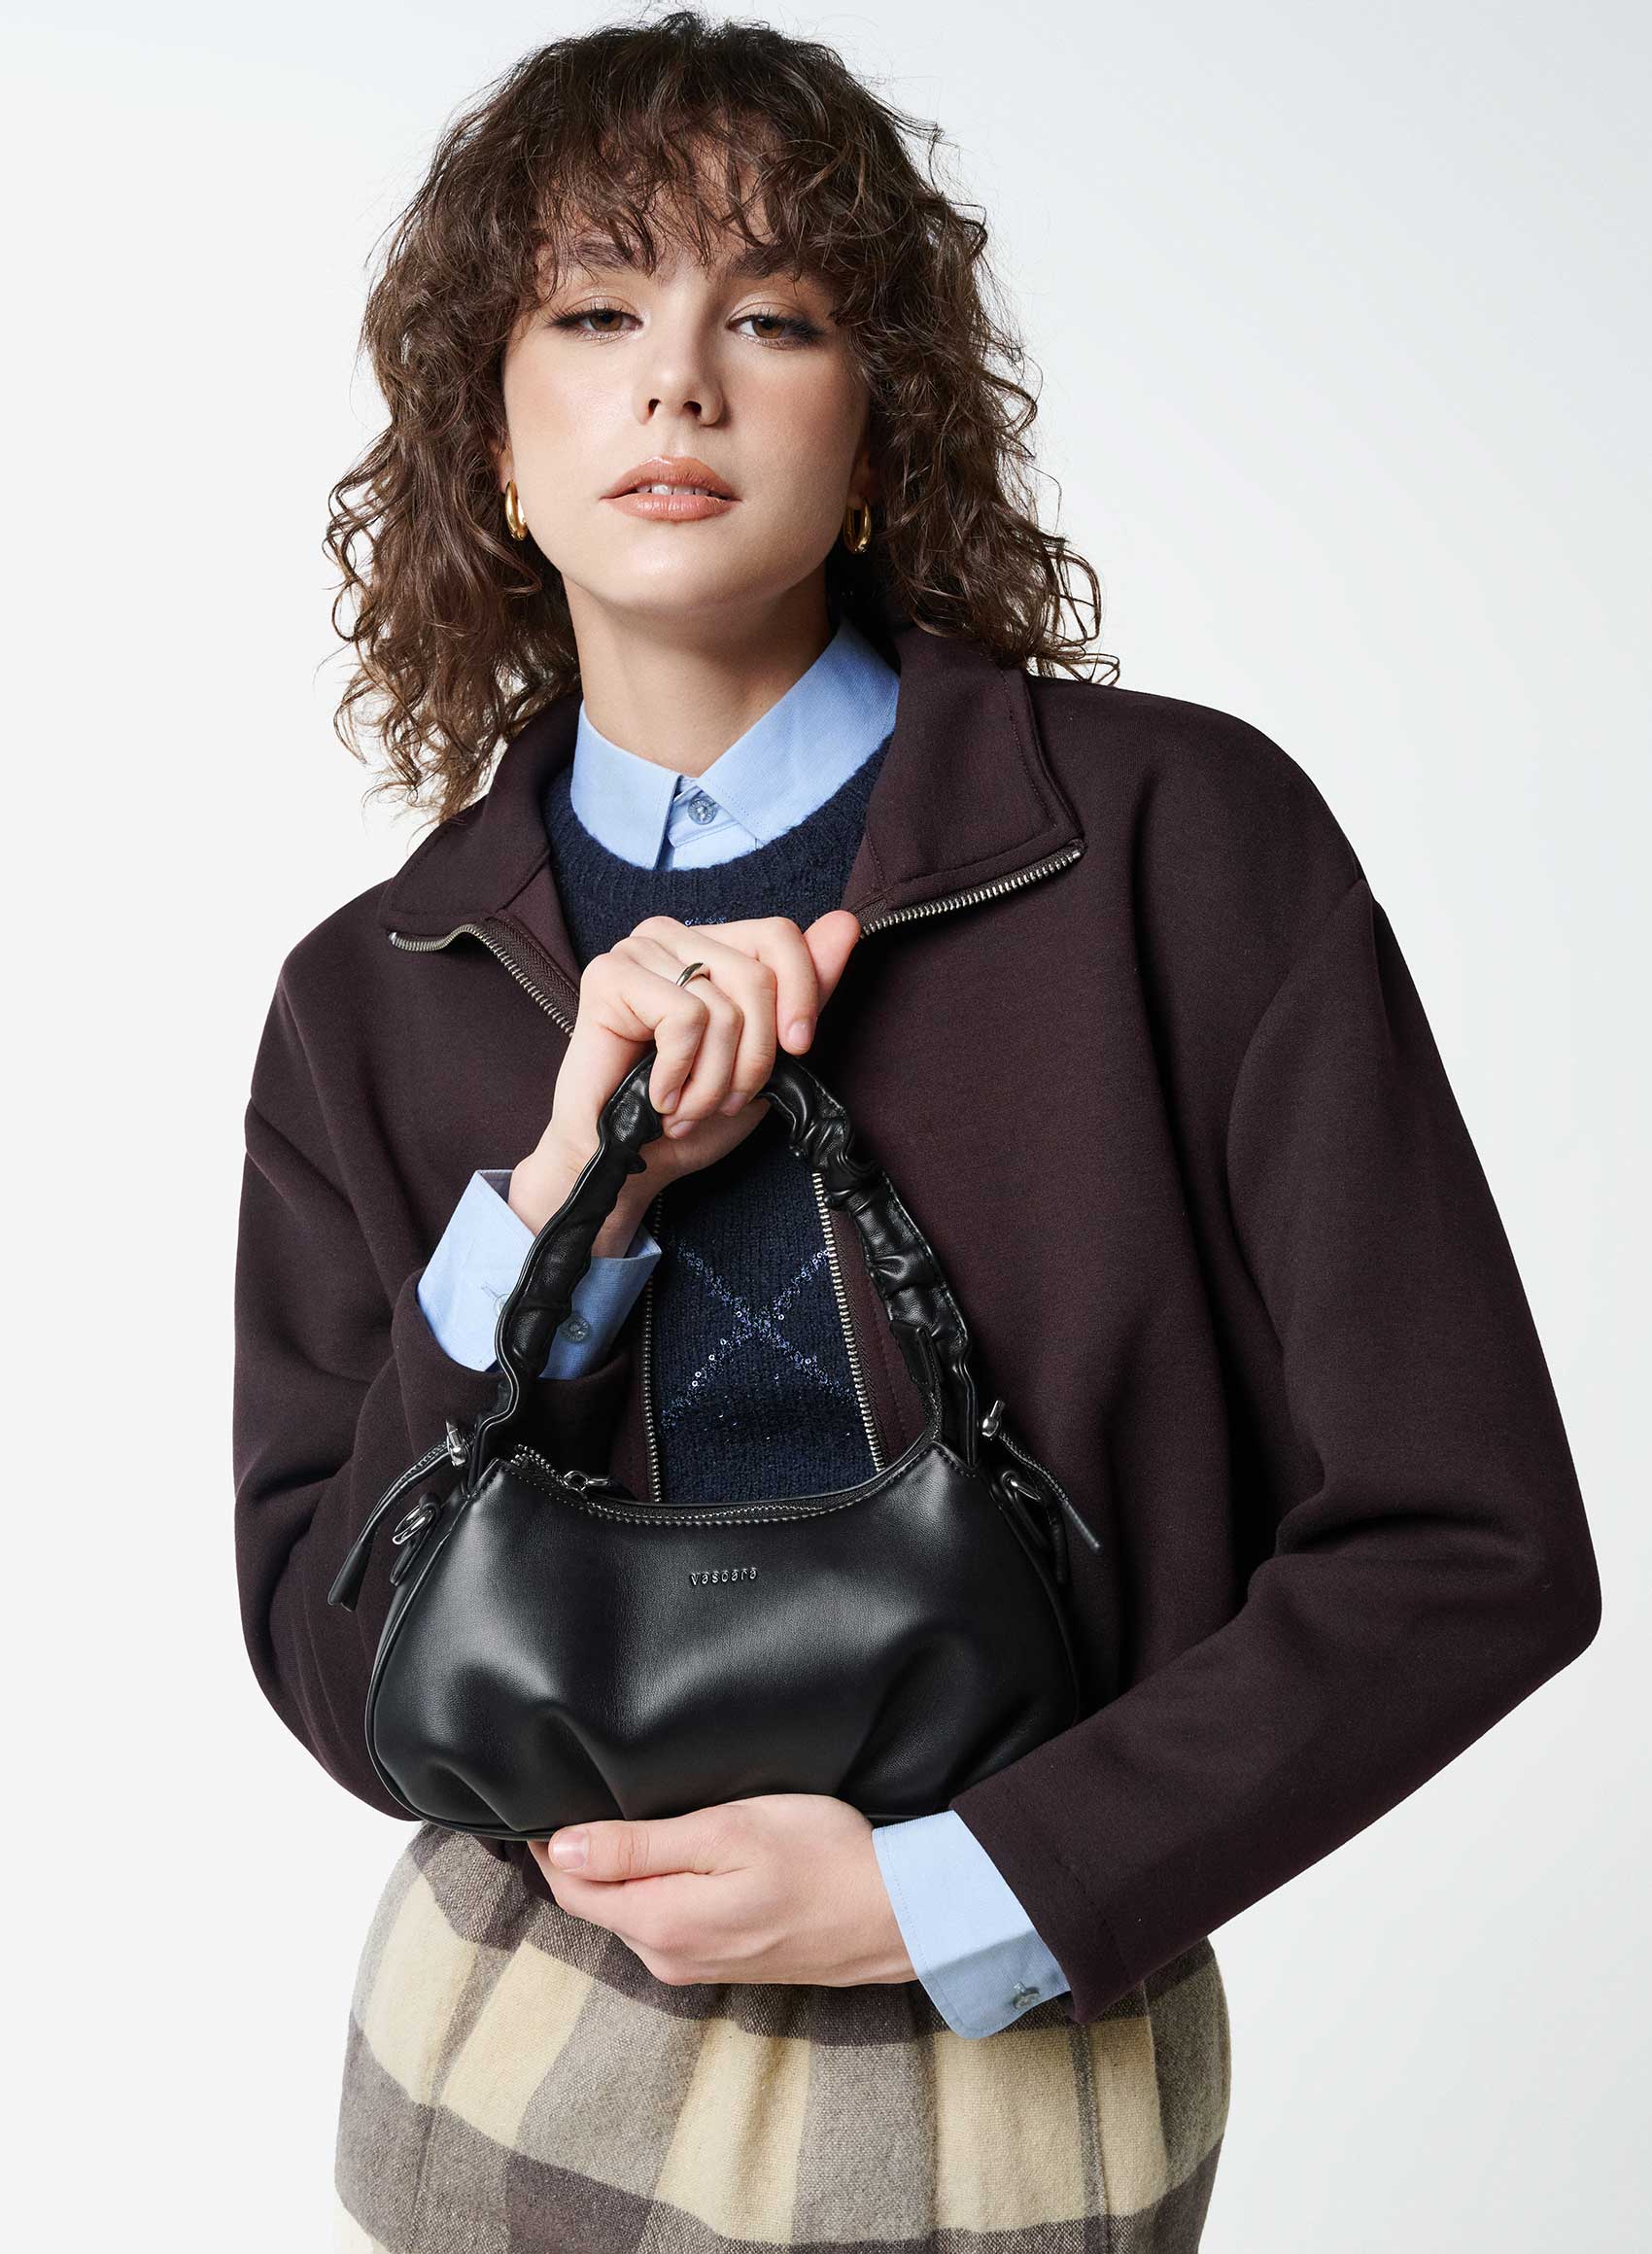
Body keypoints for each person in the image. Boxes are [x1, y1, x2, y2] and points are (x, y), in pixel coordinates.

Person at [230, 12, 1601, 2250]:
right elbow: (331, 1645)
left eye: (772, 316)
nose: (679, 384)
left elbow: (1474, 1543)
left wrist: (963, 1886)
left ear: (878, 423)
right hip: (508, 2057)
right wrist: (566, 1195)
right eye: (595, 313)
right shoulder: (371, 989)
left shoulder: (1179, 848)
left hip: (1008, 2073)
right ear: (491, 431)